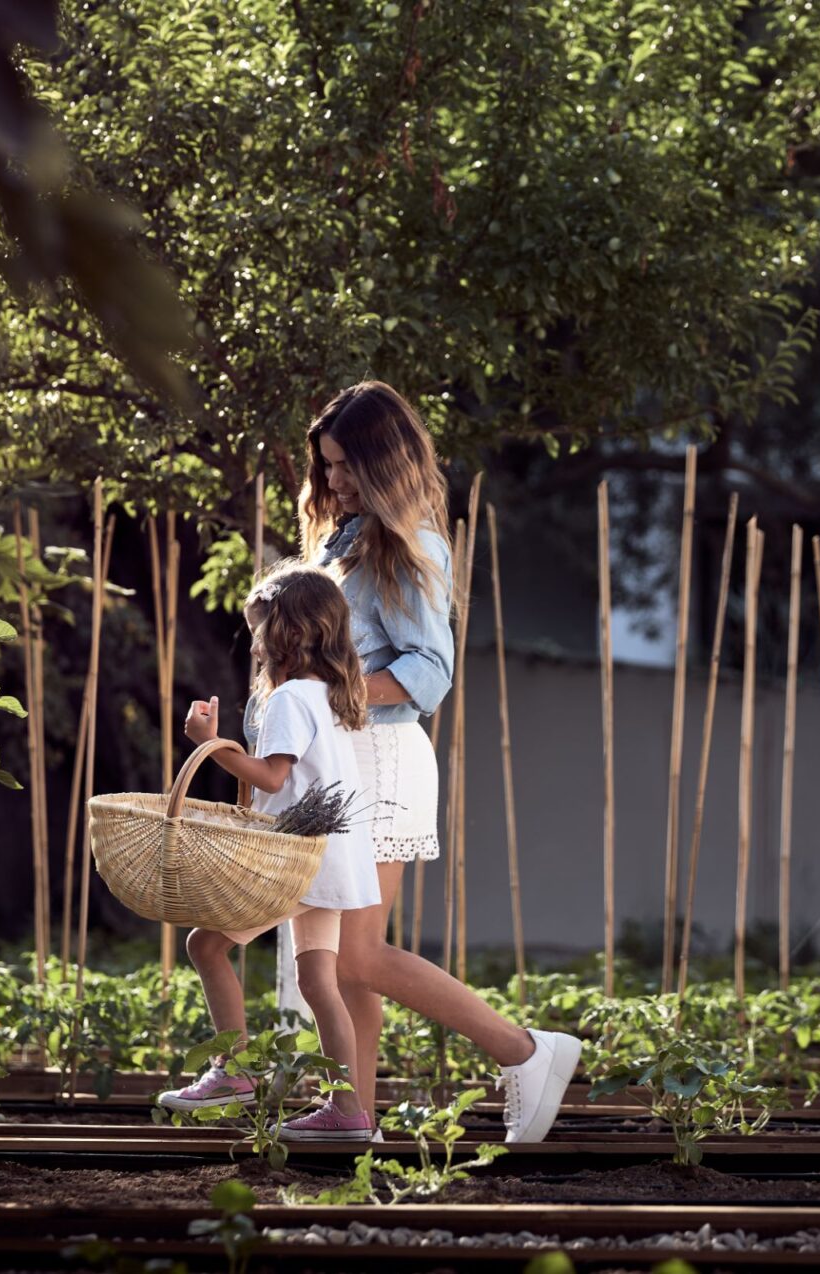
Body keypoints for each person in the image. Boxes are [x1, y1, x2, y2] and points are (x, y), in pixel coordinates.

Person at [302, 379, 581, 1144]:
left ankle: (526, 1051)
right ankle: (352, 1114)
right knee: (337, 959)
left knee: (355, 955)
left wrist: (330, 698)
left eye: (346, 466)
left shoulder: (407, 543)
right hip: (342, 760)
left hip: (380, 757)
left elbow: (430, 669)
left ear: (383, 462)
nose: (332, 481)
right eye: (325, 466)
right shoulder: (344, 538)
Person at [156, 563, 382, 1141]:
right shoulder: (334, 696)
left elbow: (274, 778)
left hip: (295, 862)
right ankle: (350, 1113)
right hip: (331, 855)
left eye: (258, 630)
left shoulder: (287, 700)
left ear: (286, 632)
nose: (254, 644)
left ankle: (232, 1072)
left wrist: (212, 745)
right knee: (318, 985)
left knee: (204, 945)